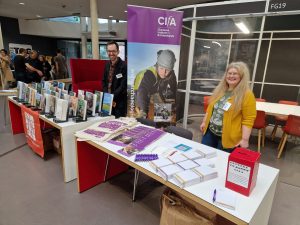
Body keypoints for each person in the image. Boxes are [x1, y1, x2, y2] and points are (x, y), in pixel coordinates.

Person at [200, 61, 256, 153]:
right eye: (229, 73)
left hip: (228, 138)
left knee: (220, 163)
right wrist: (204, 122)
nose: (231, 76)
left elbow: (248, 119)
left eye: (235, 74)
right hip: (210, 133)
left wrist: (245, 139)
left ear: (241, 76)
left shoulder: (247, 95)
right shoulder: (221, 89)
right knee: (204, 157)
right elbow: (211, 108)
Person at [134, 49, 177, 118]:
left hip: (155, 89)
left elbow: (173, 89)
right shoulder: (149, 74)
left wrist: (174, 105)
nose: (164, 73)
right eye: (161, 68)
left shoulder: (171, 74)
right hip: (139, 89)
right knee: (142, 113)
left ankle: (162, 125)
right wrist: (143, 111)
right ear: (157, 65)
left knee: (163, 114)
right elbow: (142, 92)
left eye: (167, 70)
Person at [102, 41, 127, 118]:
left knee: (118, 124)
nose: (111, 53)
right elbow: (104, 82)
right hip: (107, 101)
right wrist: (107, 97)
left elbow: (123, 87)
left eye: (113, 51)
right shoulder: (107, 65)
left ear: (118, 51)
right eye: (109, 51)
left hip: (119, 103)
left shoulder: (124, 66)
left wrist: (112, 98)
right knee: (106, 123)